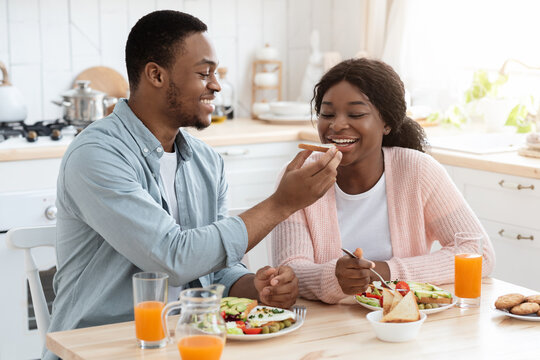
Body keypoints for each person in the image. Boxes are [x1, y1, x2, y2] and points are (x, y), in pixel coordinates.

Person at [44, 10, 342, 359]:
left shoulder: (206, 161)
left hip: (186, 342)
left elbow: (216, 268)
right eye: (204, 74)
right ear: (156, 74)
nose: (215, 85)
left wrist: (255, 287)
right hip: (99, 347)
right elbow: (175, 257)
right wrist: (281, 204)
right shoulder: (97, 155)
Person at [271, 58, 495, 304]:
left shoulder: (417, 170)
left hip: (407, 323)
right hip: (327, 327)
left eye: (355, 114)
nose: (336, 125)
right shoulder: (300, 175)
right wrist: (335, 277)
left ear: (386, 122)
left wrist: (385, 272)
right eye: (327, 114)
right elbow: (289, 271)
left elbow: (478, 253)